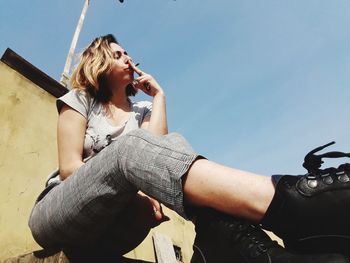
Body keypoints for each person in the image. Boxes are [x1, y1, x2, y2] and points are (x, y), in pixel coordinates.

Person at [28, 34, 350, 263]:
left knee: (173, 144)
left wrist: (159, 98)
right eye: (117, 54)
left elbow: (161, 152)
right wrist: (131, 185)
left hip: (111, 231)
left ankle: (246, 248)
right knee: (133, 150)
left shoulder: (141, 113)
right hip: (60, 213)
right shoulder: (81, 99)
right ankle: (293, 201)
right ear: (98, 61)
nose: (128, 57)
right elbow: (70, 168)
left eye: (127, 53)